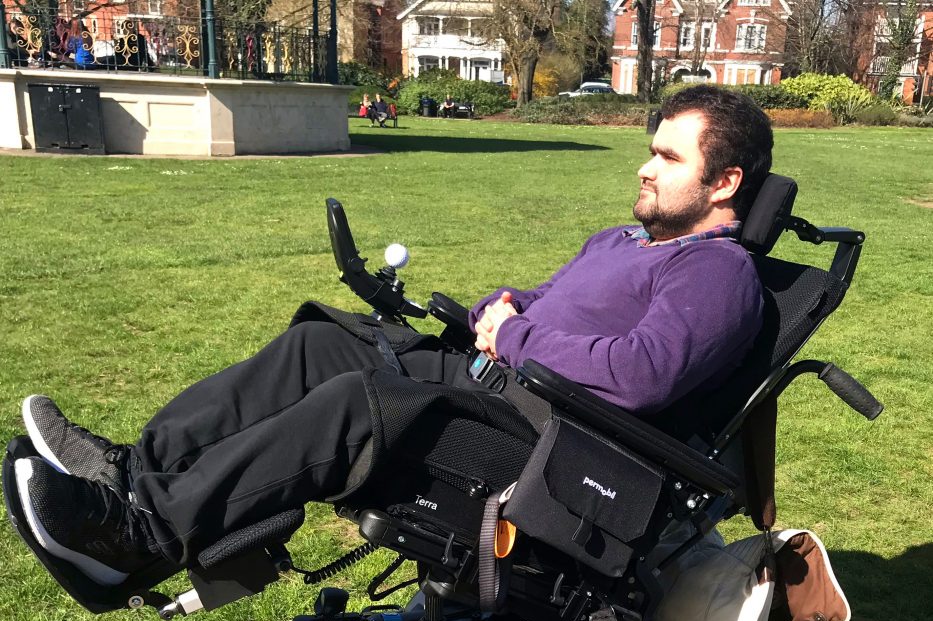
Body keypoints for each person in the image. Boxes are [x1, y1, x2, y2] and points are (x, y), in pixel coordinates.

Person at [12, 86, 771, 589]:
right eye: (651, 149)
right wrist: (498, 308)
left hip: (550, 438)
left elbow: (640, 375)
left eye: (668, 158)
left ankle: (142, 537)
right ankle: (132, 473)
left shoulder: (716, 274)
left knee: (357, 400)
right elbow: (530, 300)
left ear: (724, 182)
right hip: (490, 379)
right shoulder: (621, 242)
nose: (644, 167)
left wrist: (514, 337)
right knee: (320, 342)